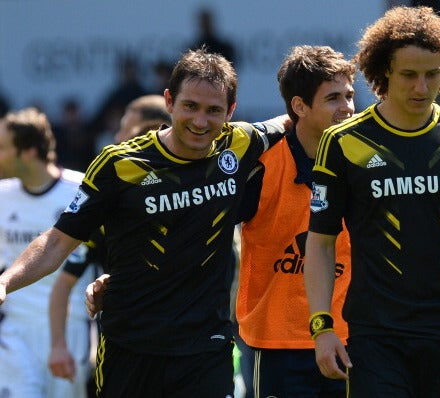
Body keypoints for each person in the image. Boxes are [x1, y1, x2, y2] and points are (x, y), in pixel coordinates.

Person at [0, 48, 287, 398]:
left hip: (204, 348)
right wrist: (5, 282)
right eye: (190, 106)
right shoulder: (119, 164)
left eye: (213, 111)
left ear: (230, 111)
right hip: (130, 348)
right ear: (169, 101)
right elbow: (58, 240)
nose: (200, 121)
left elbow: (294, 120)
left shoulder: (239, 143)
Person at [304, 6, 440, 398]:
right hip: (374, 334)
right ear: (383, 71)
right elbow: (320, 243)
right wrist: (323, 325)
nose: (421, 87)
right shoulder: (344, 142)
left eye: (432, 74)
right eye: (409, 75)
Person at [236, 45, 355, 397]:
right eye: (333, 98)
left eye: (350, 95)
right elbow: (201, 233)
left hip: (347, 338)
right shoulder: (263, 164)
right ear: (300, 106)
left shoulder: (367, 160)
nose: (347, 108)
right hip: (273, 343)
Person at [47, 95, 172, 394]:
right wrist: (59, 345)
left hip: (196, 351)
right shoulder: (108, 212)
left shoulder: (205, 191)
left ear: (153, 132)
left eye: (125, 131)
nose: (117, 139)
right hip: (127, 350)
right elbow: (61, 278)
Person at [0, 108, 91, 398]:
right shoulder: (1, 195)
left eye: (1, 148)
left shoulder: (81, 189)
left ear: (28, 151)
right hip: (13, 333)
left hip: (69, 331)